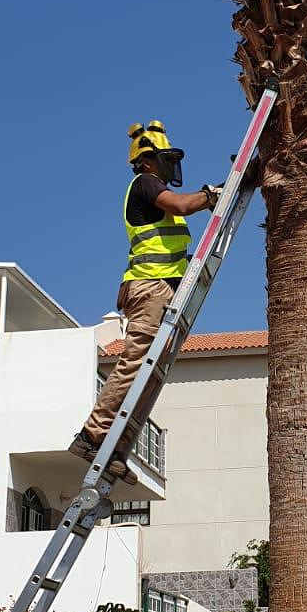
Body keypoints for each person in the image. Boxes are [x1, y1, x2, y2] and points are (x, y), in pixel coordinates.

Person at [69, 120, 220, 473]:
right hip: (149, 286)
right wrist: (211, 195)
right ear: (148, 160)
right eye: (165, 159)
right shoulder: (145, 183)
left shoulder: (152, 186)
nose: (170, 166)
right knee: (136, 362)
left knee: (150, 372)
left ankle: (115, 447)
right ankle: (92, 437)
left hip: (160, 288)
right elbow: (182, 205)